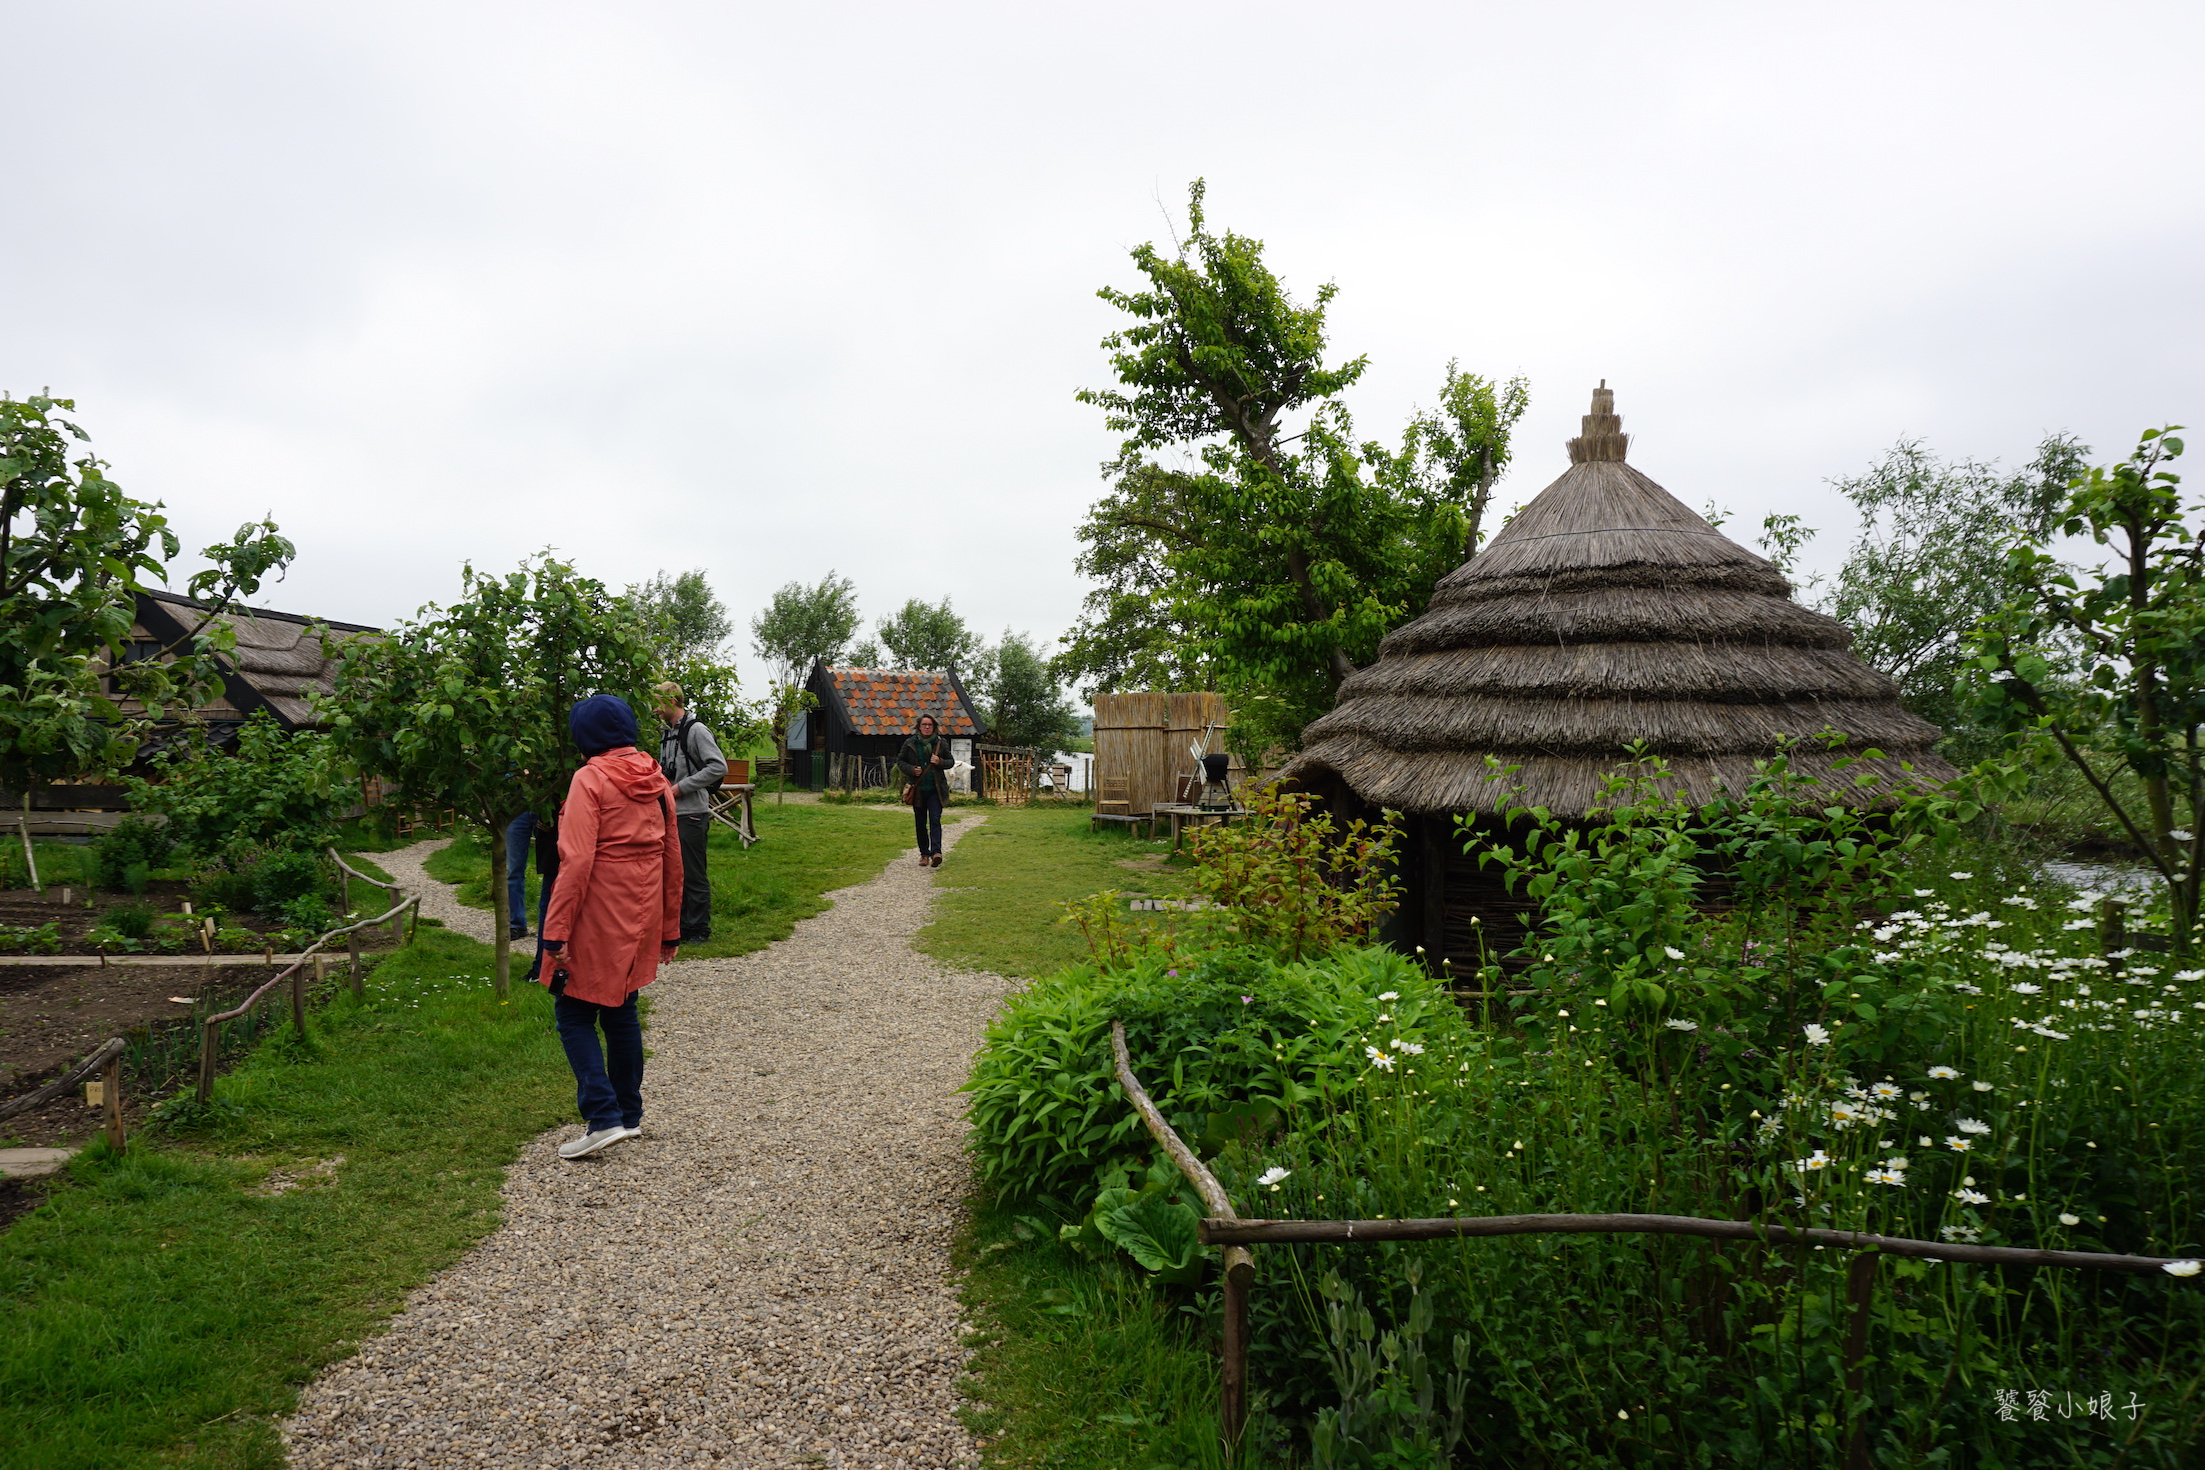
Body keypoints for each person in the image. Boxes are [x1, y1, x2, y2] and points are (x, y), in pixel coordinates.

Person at [540, 694, 683, 1161]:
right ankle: (628, 1115)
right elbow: (672, 858)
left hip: (597, 913)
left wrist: (555, 930)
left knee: (573, 1012)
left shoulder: (590, 778)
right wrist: (669, 928)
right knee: (621, 1010)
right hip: (642, 913)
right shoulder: (655, 777)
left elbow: (576, 859)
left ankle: (602, 1118)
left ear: (585, 735)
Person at [653, 681, 727, 944]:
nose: (656, 709)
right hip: (671, 815)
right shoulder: (667, 733)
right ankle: (680, 926)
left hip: (692, 813)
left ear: (672, 701)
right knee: (674, 873)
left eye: (659, 703)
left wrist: (680, 789)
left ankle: (698, 930)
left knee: (693, 872)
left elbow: (718, 767)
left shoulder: (696, 730)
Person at [897, 713, 951, 868]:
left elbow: (950, 761)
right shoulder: (910, 743)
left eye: (930, 725)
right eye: (924, 725)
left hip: (936, 790)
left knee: (935, 820)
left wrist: (939, 761)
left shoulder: (941, 743)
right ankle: (924, 854)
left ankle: (936, 853)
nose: (927, 727)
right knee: (920, 823)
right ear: (919, 727)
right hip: (918, 790)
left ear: (934, 727)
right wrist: (912, 769)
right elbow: (900, 761)